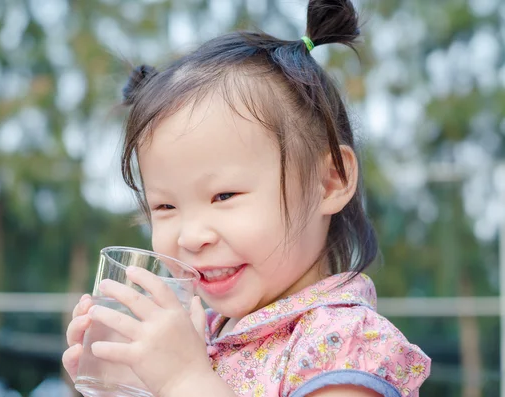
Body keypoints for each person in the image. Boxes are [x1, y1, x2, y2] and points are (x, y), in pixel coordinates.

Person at [62, 0, 431, 396]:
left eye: (223, 195)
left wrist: (183, 381)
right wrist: (133, 385)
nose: (190, 236)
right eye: (165, 206)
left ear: (329, 181)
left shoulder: (344, 345)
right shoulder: (196, 337)